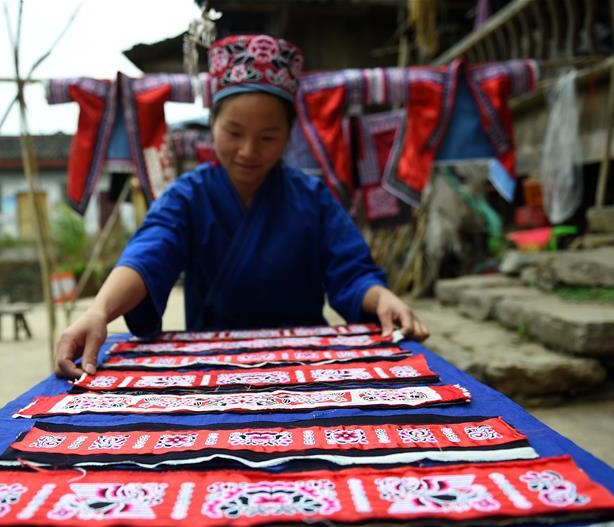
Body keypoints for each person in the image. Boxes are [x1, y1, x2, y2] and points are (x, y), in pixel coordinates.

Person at [55, 34, 428, 378]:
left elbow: (352, 271)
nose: (249, 151)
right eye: (234, 133)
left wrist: (383, 299)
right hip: (212, 367)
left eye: (268, 137)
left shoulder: (312, 198)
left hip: (306, 364)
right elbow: (149, 254)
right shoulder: (188, 196)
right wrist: (98, 311)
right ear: (212, 124)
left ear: (288, 135)